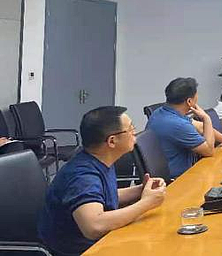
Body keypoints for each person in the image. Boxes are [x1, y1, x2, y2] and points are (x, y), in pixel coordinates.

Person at [38, 106, 166, 256]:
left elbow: (102, 196)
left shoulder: (98, 158)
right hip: (81, 250)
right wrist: (146, 203)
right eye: (130, 129)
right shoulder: (82, 176)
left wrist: (140, 190)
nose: (134, 132)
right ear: (112, 141)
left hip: (102, 242)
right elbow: (94, 226)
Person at [146, 77, 222, 179]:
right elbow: (209, 151)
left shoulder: (161, 112)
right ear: (189, 101)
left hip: (178, 171)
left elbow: (201, 127)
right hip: (180, 178)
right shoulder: (178, 124)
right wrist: (206, 118)